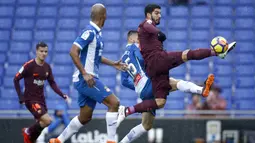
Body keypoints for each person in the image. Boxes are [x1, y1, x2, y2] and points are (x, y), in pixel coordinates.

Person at [118, 4, 236, 119]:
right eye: (156, 13)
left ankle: (127, 110)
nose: (159, 15)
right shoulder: (145, 24)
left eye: (160, 13)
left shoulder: (140, 38)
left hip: (153, 69)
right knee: (187, 54)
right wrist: (158, 33)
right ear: (148, 14)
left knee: (160, 102)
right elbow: (149, 27)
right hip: (157, 60)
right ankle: (216, 53)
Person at [117, 30, 214, 143]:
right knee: (174, 83)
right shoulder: (134, 47)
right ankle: (201, 90)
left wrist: (137, 85)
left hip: (142, 90)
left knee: (146, 125)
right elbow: (143, 60)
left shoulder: (123, 59)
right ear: (133, 39)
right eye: (139, 39)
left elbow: (124, 81)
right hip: (149, 83)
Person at [49, 3, 127, 143]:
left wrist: (113, 63)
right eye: (106, 15)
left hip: (88, 78)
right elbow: (73, 51)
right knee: (114, 103)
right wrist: (84, 73)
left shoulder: (97, 34)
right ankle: (111, 140)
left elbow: (96, 57)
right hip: (86, 79)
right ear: (103, 16)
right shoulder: (89, 32)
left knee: (85, 117)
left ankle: (58, 140)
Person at [13, 42, 70, 143]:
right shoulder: (29, 66)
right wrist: (20, 97)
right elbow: (16, 79)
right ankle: (28, 131)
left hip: (41, 100)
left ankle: (31, 138)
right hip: (30, 99)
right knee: (47, 120)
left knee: (43, 123)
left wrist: (62, 94)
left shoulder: (47, 67)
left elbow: (52, 83)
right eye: (41, 51)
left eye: (46, 51)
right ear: (36, 52)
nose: (43, 53)